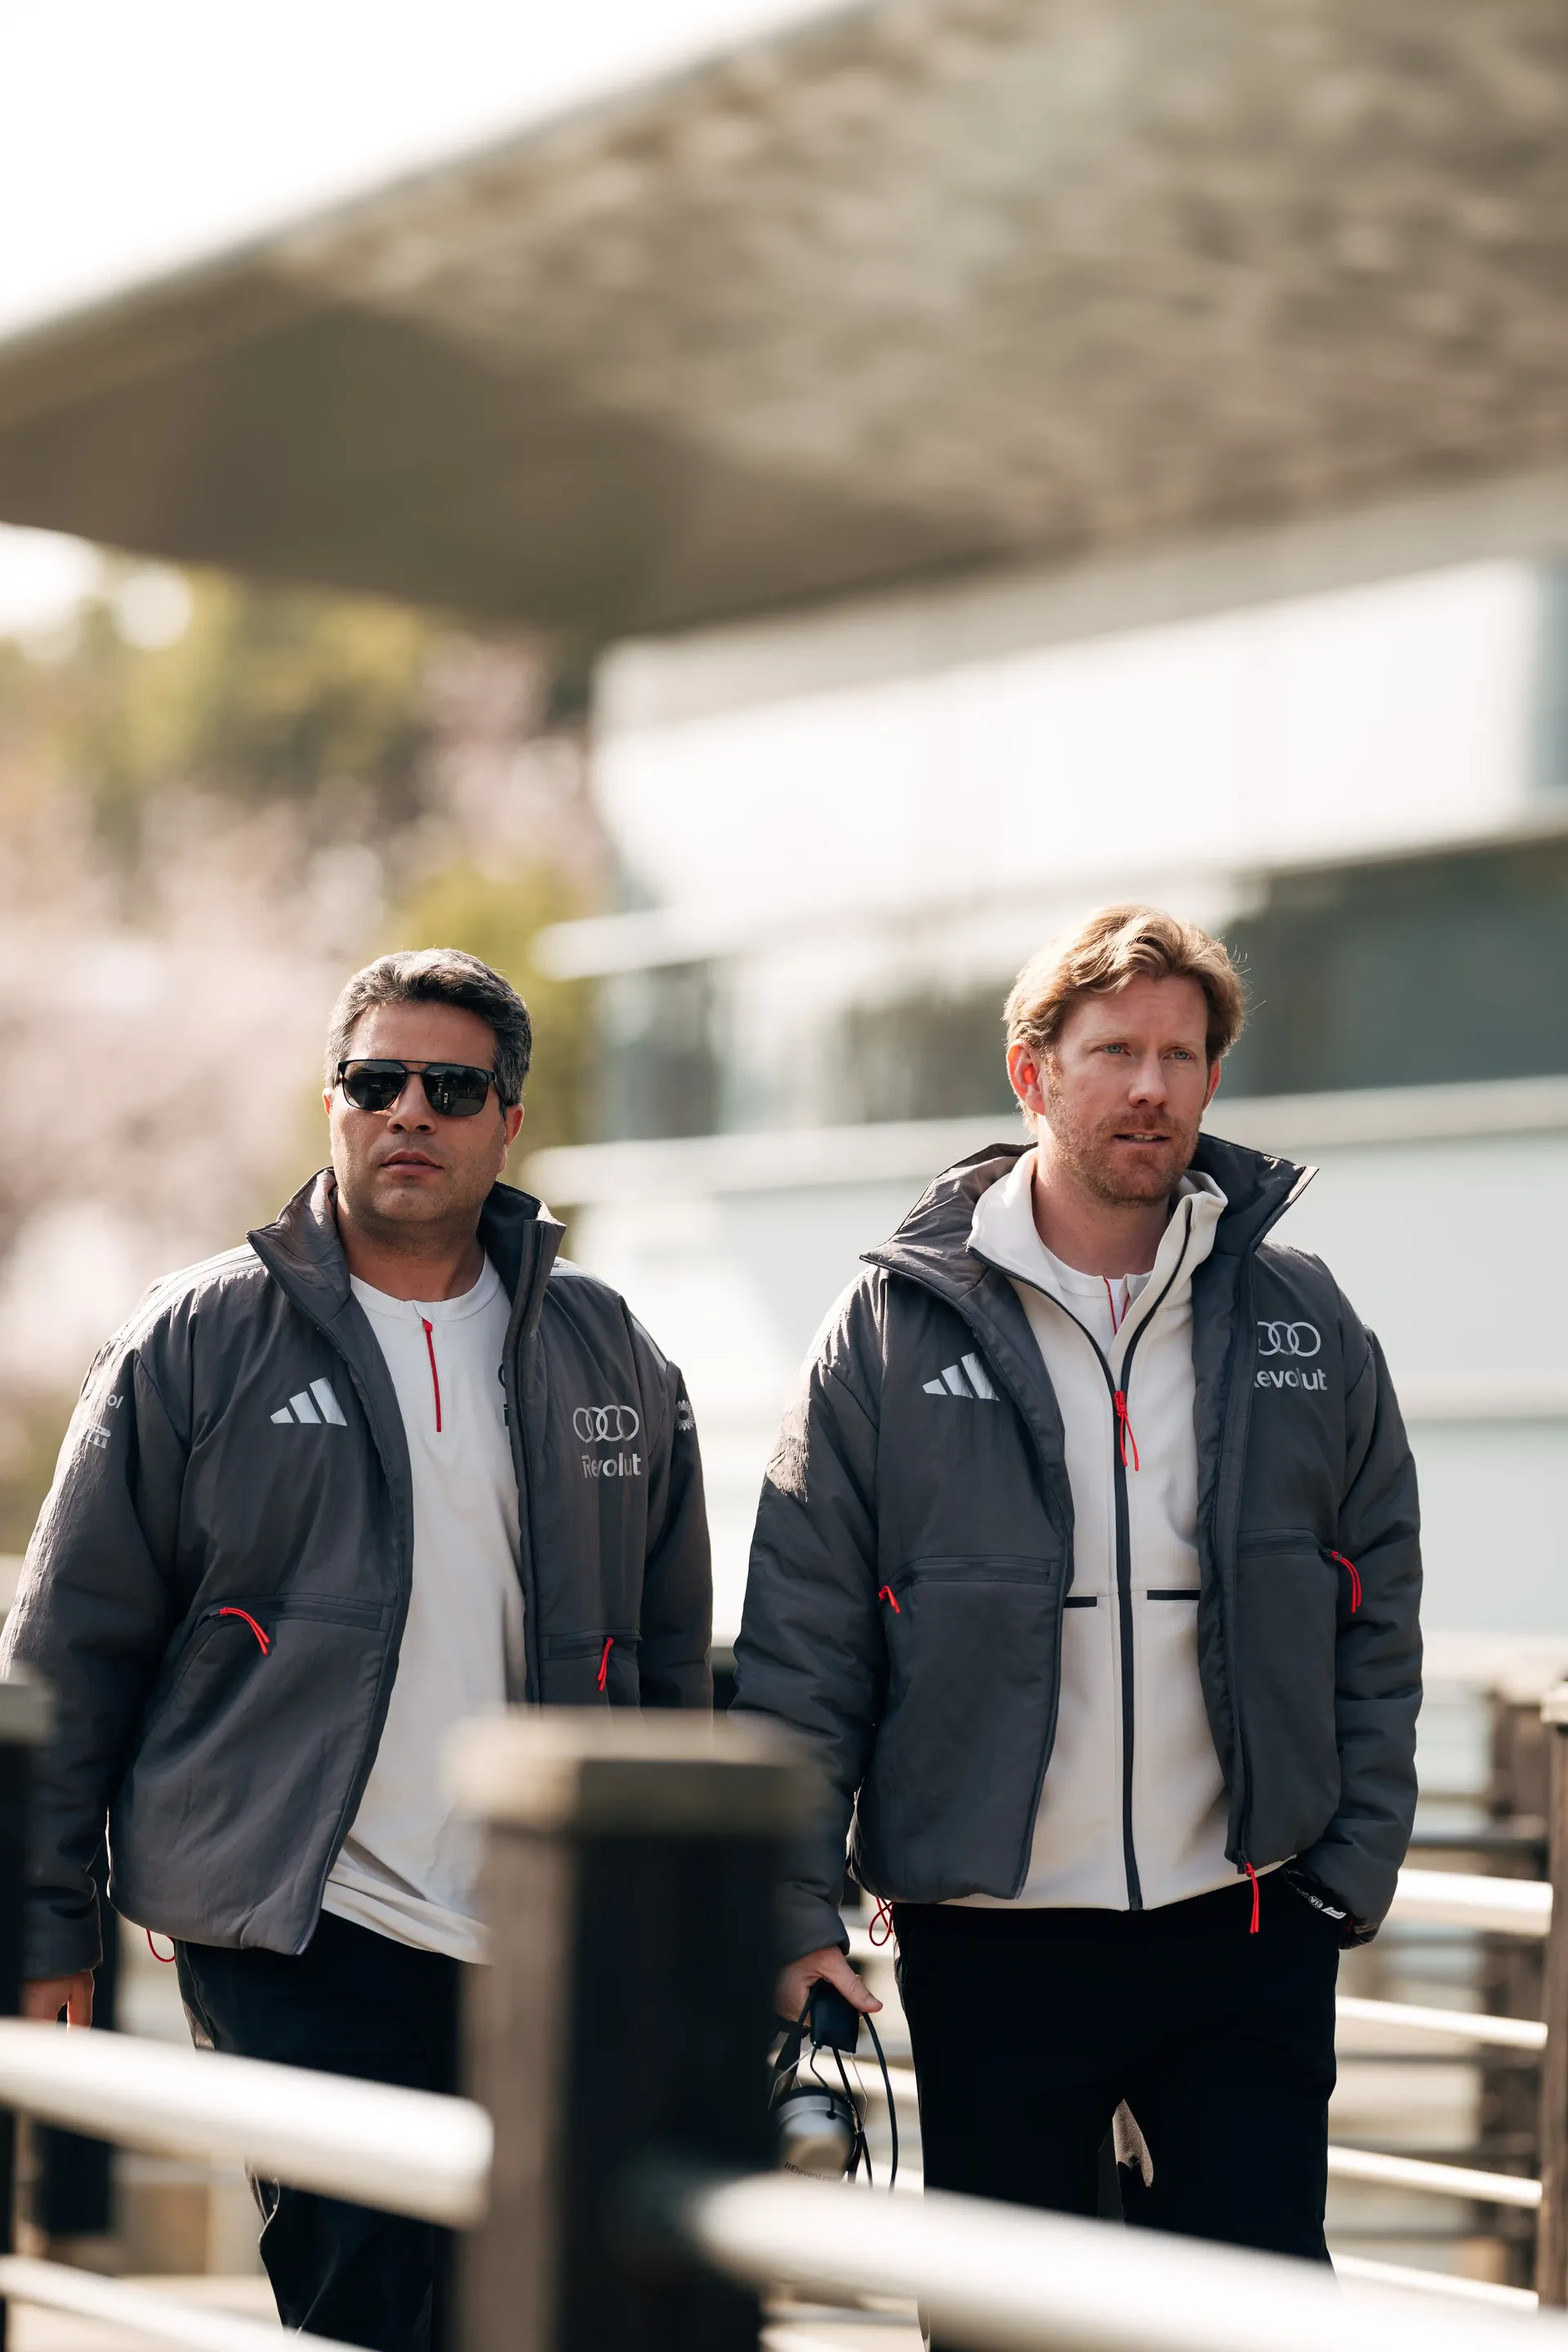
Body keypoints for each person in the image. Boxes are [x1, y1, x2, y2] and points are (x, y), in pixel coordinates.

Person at [2, 948, 710, 2352]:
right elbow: (66, 1654)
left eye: (453, 1088)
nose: (411, 1113)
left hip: (549, 1943)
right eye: (378, 1082)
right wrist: (44, 1923)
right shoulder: (194, 1341)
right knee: (364, 2302)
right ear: (330, 1102)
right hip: (299, 1925)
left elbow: (673, 1669)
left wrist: (687, 1937)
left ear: (508, 1120)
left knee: (540, 2311)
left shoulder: (609, 1351)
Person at [733, 905, 1420, 2267]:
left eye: (1182, 1053)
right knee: (1009, 2310)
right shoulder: (886, 1326)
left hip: (1248, 1918)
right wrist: (796, 1904)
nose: (1152, 1087)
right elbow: (805, 1636)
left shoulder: (1303, 1314)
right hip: (996, 1935)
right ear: (1032, 1071)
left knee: (1262, 2307)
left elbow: (1378, 1592)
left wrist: (1347, 1867)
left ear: (1215, 1076)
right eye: (1114, 1050)